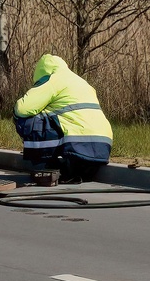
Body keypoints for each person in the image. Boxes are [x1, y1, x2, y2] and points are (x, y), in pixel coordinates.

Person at [14, 54, 113, 184]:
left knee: (24, 118)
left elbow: (22, 108)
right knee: (63, 117)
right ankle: (74, 167)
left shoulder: (53, 80)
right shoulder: (82, 82)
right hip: (103, 146)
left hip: (77, 143)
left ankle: (45, 159)